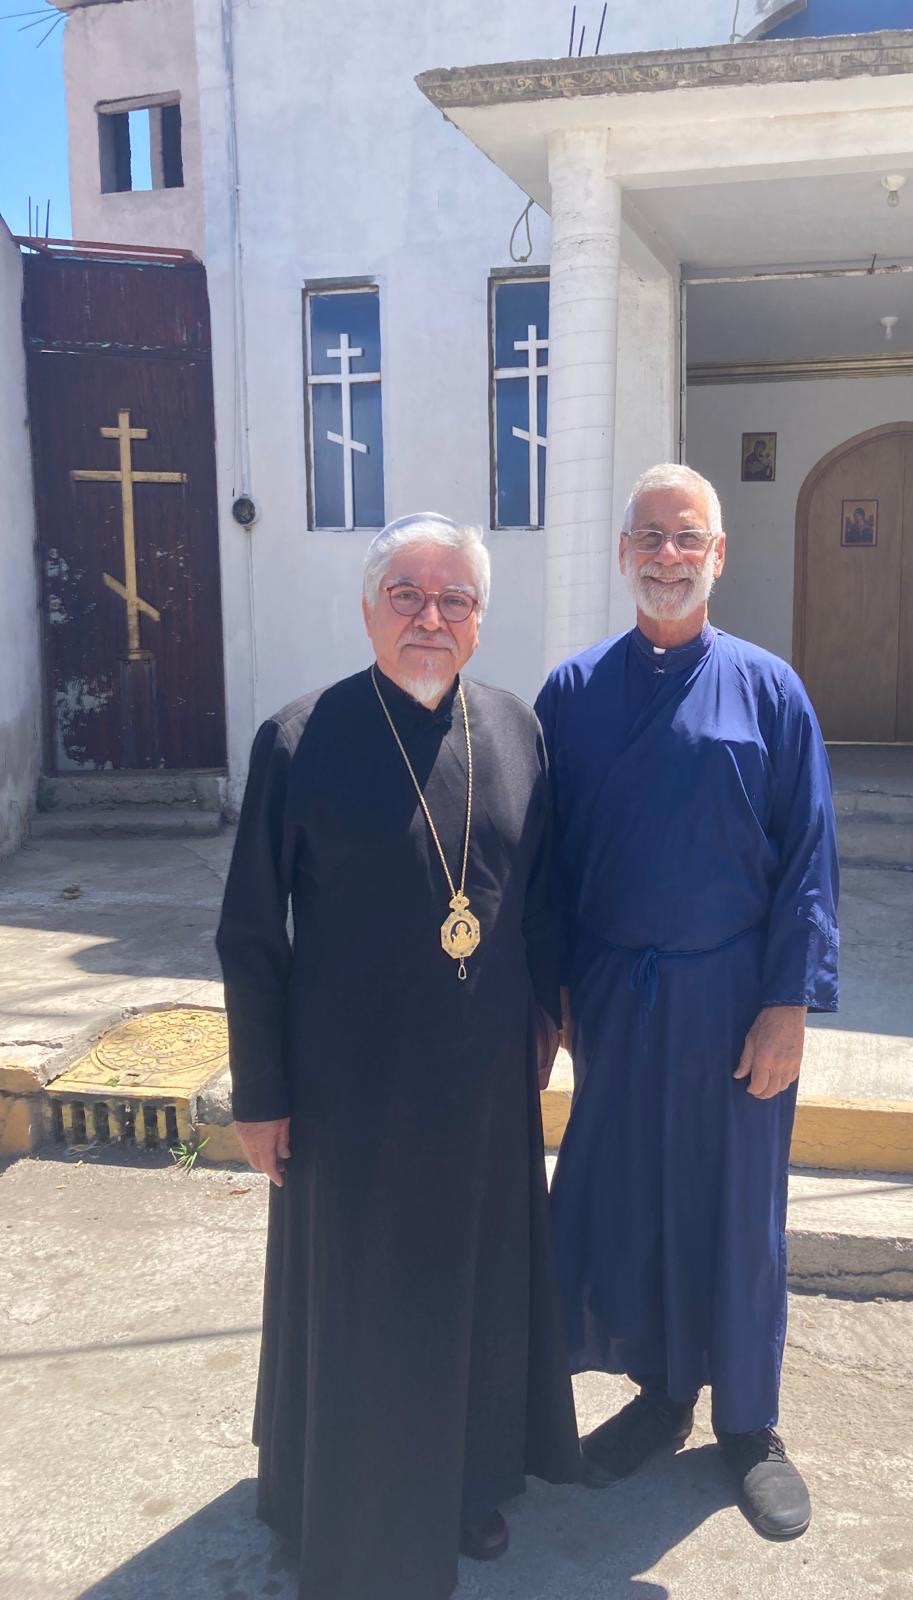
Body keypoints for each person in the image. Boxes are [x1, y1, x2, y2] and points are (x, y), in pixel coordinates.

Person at [216, 513, 578, 1600]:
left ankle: (467, 1487)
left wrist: (548, 1029)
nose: (432, 617)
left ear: (479, 620)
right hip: (346, 1095)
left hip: (480, 1089)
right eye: (408, 596)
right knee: (360, 1303)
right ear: (369, 607)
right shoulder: (298, 736)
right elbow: (250, 929)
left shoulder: (516, 728)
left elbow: (542, 897)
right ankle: (323, 1496)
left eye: (454, 599)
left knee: (472, 1296)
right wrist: (261, 1092)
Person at [535, 464, 839, 1542]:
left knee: (738, 1206)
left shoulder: (770, 691)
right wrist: (552, 993)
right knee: (636, 1195)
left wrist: (789, 1002)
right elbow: (545, 864)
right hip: (616, 994)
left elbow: (809, 860)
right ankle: (663, 1395)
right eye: (650, 536)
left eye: (688, 538)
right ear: (623, 554)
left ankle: (750, 1427)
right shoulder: (570, 695)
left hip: (732, 998)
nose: (668, 555)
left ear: (719, 556)